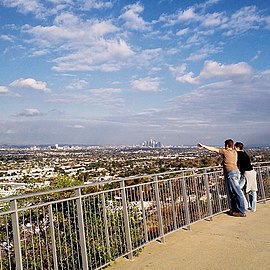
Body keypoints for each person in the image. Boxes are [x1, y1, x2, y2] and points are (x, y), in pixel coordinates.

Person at [197, 139, 246, 217]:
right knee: (233, 193)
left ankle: (242, 211)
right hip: (236, 172)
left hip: (231, 173)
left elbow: (214, 149)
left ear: (226, 145)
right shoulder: (234, 152)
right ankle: (236, 209)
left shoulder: (225, 151)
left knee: (237, 192)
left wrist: (203, 146)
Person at [234, 142, 257, 212]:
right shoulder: (244, 153)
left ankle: (245, 205)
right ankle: (253, 207)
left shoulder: (238, 154)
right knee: (253, 190)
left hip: (246, 173)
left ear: (237, 147)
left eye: (235, 147)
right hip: (252, 172)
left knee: (238, 188)